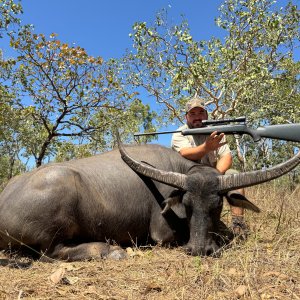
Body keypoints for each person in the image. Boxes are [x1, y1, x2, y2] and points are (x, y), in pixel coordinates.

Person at [171, 95, 249, 239]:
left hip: (214, 178)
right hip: (189, 181)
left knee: (234, 176)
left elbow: (227, 157)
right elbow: (186, 153)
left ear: (207, 115)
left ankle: (238, 226)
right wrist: (207, 147)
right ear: (186, 117)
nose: (197, 117)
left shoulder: (216, 132)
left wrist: (216, 175)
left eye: (201, 113)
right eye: (192, 114)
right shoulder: (179, 134)